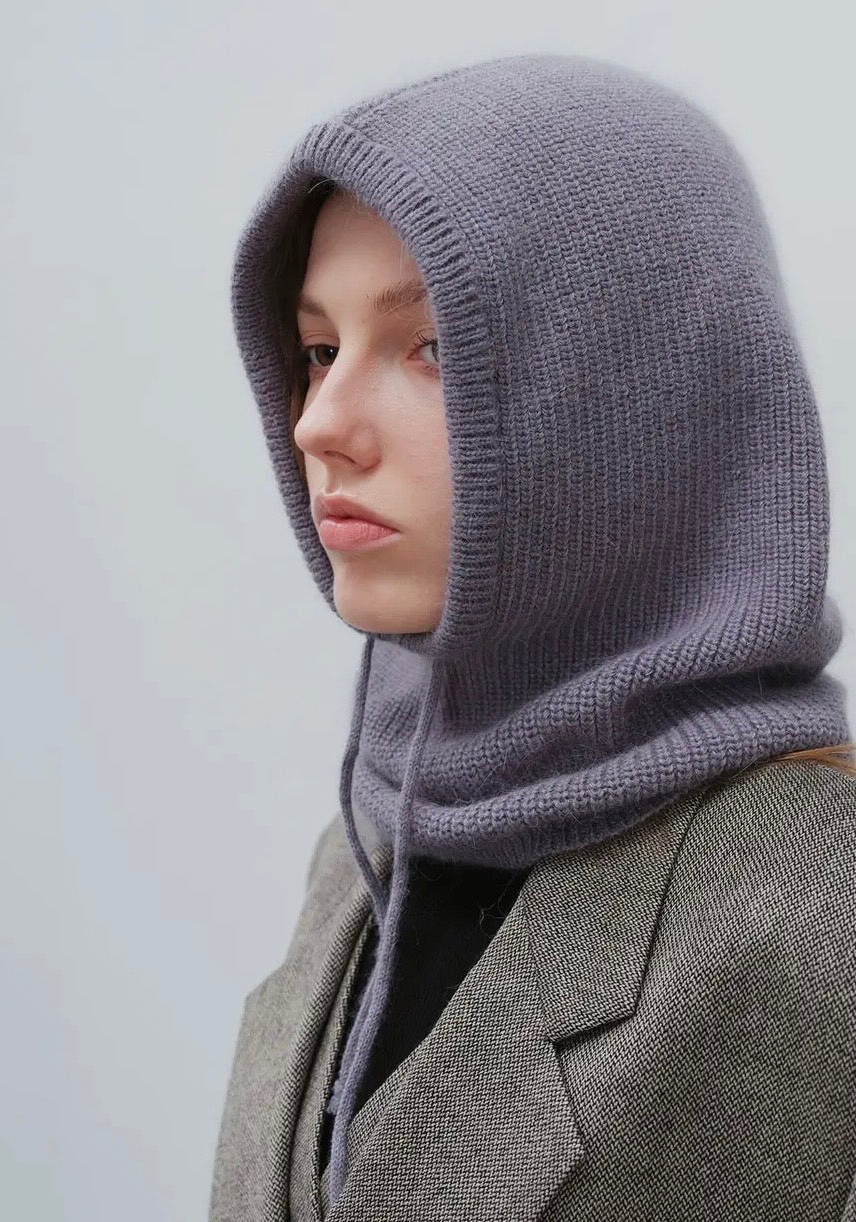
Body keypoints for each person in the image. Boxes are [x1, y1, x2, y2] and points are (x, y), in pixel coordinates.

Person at [209, 52, 856, 1221]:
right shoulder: (360, 853)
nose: (320, 423)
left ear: (638, 391)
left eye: (433, 347)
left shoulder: (824, 904)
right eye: (319, 350)